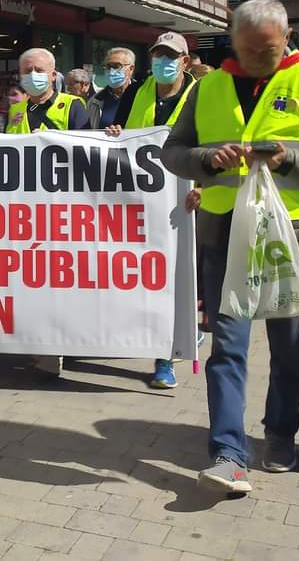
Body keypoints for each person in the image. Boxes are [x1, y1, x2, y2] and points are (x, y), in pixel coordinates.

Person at [162, 0, 299, 495]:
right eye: (247, 51)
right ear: (232, 39)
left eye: (267, 52)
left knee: (290, 346)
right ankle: (228, 452)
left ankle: (280, 432)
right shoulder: (207, 86)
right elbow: (174, 152)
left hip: (293, 237)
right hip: (224, 232)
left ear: (286, 36)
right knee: (227, 346)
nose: (256, 62)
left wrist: (287, 159)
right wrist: (210, 160)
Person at [104, 32, 198, 390]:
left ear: (185, 62)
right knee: (144, 272)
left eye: (171, 57)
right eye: (158, 56)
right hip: (139, 198)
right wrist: (114, 132)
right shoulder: (137, 91)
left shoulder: (199, 94)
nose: (163, 62)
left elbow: (211, 141)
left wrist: (203, 184)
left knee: (174, 278)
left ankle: (166, 358)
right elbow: (121, 133)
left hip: (181, 198)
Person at [6, 48, 90, 381]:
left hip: (61, 207)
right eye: (26, 70)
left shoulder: (74, 106)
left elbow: (87, 152)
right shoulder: (15, 108)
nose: (31, 75)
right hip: (23, 209)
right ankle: (42, 348)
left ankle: (58, 344)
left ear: (53, 74)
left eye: (38, 69)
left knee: (58, 279)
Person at [87, 47, 135, 128]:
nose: (112, 71)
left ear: (131, 69)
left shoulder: (140, 96)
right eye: (109, 66)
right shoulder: (95, 100)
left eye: (117, 66)